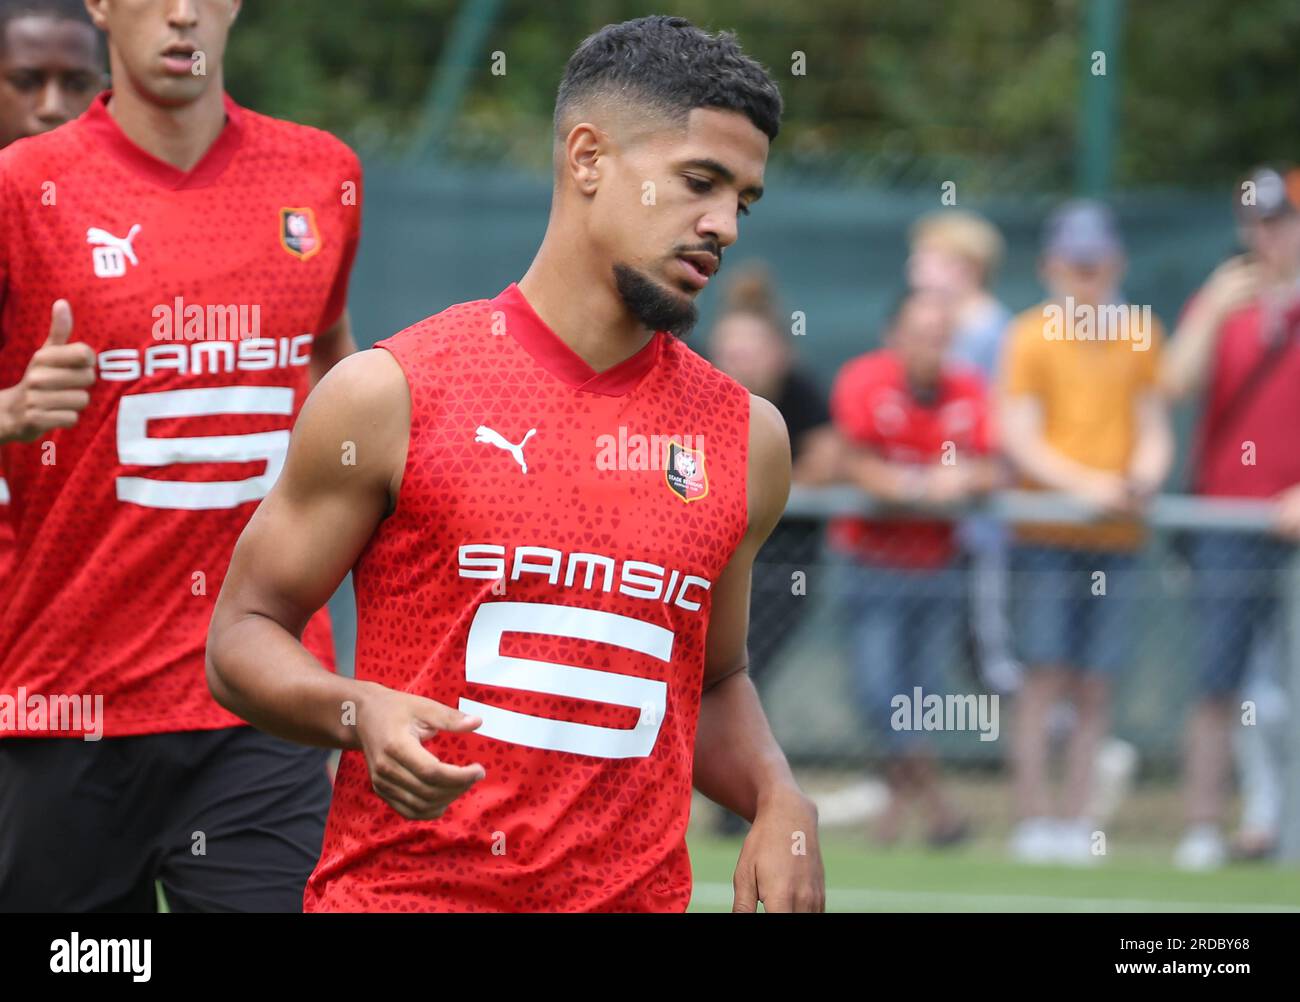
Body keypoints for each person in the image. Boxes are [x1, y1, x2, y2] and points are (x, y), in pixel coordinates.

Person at [207, 15, 824, 914]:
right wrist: (358, 710)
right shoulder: (392, 392)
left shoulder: (748, 439)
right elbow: (241, 634)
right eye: (700, 182)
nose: (724, 225)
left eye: (745, 200)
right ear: (587, 158)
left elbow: (715, 679)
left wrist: (778, 796)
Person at [0, 0, 361, 911]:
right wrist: (10, 411)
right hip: (64, 701)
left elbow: (334, 371)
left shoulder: (321, 174)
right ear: (100, 6)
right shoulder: (20, 187)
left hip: (258, 684)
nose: (182, 15)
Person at [998, 200, 1173, 865]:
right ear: (1051, 267)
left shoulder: (1141, 333)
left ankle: (1077, 822)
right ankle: (1033, 818)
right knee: (1044, 677)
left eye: (1096, 263)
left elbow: (1153, 424)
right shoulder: (1029, 336)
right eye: (1075, 263)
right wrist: (1090, 488)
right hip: (1048, 533)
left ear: (1116, 264)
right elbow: (1023, 437)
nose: (1087, 275)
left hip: (1118, 539)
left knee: (1097, 684)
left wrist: (1144, 476)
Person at [1160, 164, 1300, 870]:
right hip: (1229, 521)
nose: (1265, 237)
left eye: (1278, 222)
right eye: (1256, 223)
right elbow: (1175, 383)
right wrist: (1214, 308)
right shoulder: (1224, 300)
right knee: (1219, 682)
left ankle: (1281, 823)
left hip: (1291, 522)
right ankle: (1205, 825)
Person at [831, 289, 997, 846]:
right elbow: (854, 460)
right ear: (895, 335)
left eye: (941, 336)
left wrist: (962, 479)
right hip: (872, 561)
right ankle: (940, 808)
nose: (932, 347)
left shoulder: (968, 388)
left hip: (936, 563)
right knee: (880, 692)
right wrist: (922, 486)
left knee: (919, 700)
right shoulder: (864, 379)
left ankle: (893, 820)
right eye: (921, 334)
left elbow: (993, 467)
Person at [707, 262, 836, 835]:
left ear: (779, 351)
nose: (741, 357)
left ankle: (750, 798)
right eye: (731, 346)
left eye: (752, 347)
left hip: (786, 567)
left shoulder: (799, 396)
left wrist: (753, 489)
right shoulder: (702, 392)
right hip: (716, 559)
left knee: (745, 669)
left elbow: (827, 461)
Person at [0, 0, 105, 585]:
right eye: (25, 81)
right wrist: (10, 411)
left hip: (80, 585)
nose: (51, 107)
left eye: (77, 84)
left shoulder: (131, 227)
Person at [907, 209, 1021, 695]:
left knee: (990, 649)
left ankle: (1071, 742)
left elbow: (1000, 434)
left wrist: (965, 473)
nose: (915, 268)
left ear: (966, 267)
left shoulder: (996, 334)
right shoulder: (927, 330)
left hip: (983, 527)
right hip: (935, 526)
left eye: (928, 258)